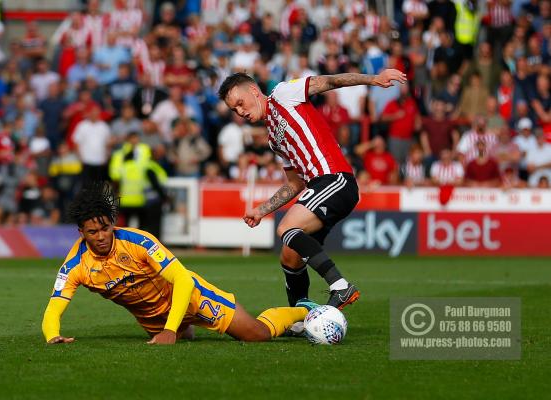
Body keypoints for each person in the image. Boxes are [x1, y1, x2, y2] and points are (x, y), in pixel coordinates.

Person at [218, 69, 407, 309]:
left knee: (287, 227)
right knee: (289, 254)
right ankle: (300, 314)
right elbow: (295, 184)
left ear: (254, 91)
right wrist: (262, 210)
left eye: (240, 103)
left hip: (335, 178)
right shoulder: (273, 139)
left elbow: (330, 81)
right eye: (235, 110)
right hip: (319, 185)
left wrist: (373, 79)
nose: (241, 112)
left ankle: (340, 287)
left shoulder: (283, 93)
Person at [41, 182, 315, 345]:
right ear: (81, 233)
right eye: (92, 232)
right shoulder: (75, 265)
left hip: (190, 296)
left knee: (258, 335)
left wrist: (170, 331)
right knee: (187, 340)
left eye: (105, 228)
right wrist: (53, 336)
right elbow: (53, 309)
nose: (101, 237)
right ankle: (183, 328)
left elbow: (182, 278)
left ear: (112, 223)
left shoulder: (139, 241)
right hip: (153, 320)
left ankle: (303, 312)